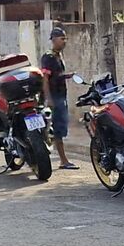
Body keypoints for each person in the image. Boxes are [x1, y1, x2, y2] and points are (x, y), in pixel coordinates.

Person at [41, 27, 78, 170]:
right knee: (59, 127)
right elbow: (45, 78)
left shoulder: (58, 56)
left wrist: (67, 75)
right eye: (62, 39)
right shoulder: (48, 57)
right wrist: (48, 98)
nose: (65, 42)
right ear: (54, 39)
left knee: (60, 126)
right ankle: (63, 160)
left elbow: (56, 75)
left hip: (61, 96)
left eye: (65, 39)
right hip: (55, 97)